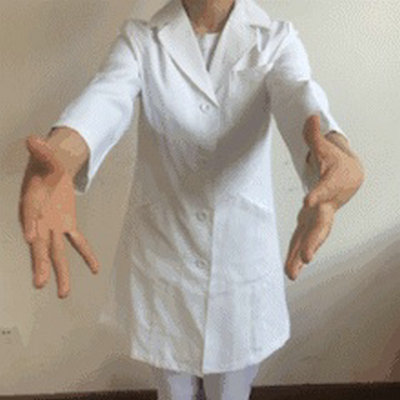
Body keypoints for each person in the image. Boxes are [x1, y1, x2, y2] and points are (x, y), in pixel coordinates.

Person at [18, 0, 365, 398]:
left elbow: (301, 100)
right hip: (166, 260)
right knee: (173, 392)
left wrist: (337, 154)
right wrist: (60, 159)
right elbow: (105, 99)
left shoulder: (275, 40)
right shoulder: (142, 41)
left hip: (240, 264)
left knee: (231, 392)